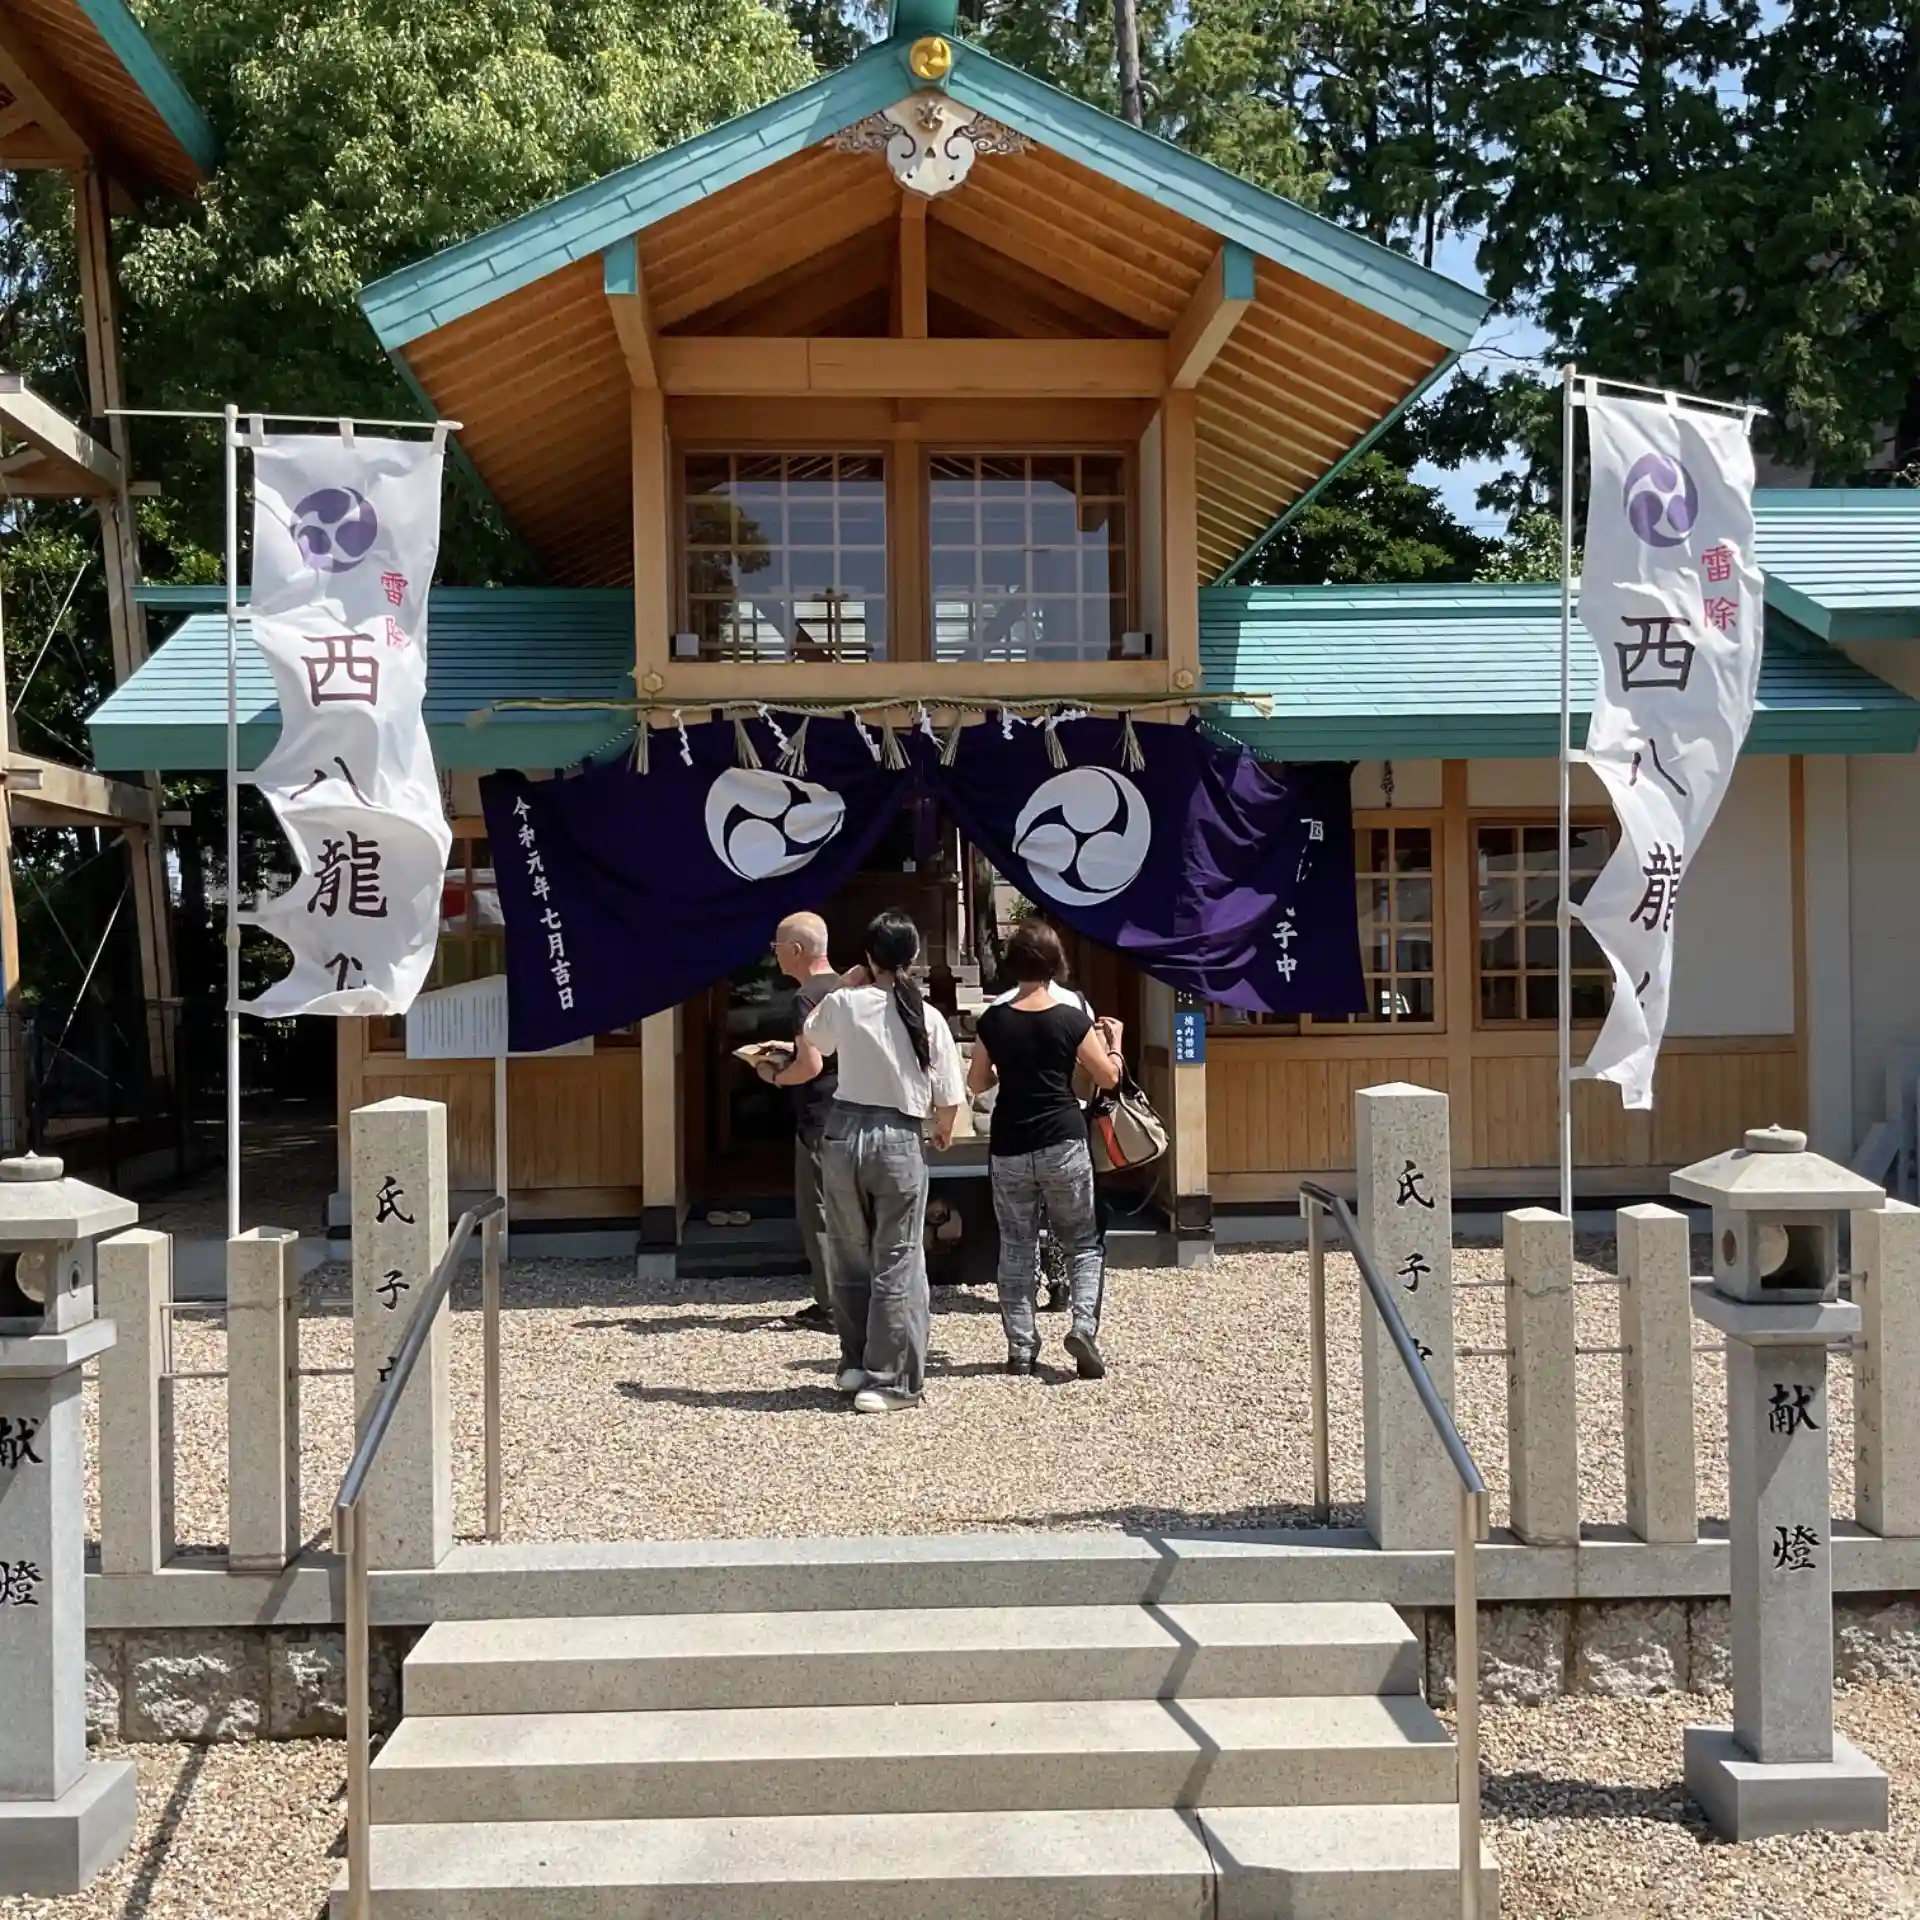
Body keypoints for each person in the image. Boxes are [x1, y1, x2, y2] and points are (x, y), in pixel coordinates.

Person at [777, 910, 965, 1414]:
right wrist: (943, 1129)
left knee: (849, 1254)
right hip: (898, 1135)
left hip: (842, 1132)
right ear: (914, 957)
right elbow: (948, 1093)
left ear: (867, 956)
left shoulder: (845, 1002)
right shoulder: (926, 1015)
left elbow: (813, 1037)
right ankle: (891, 1379)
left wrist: (845, 983)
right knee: (897, 1259)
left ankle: (855, 1361)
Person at [968, 918, 1123, 1379]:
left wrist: (1004, 1069)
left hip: (1010, 1141)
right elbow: (1108, 1077)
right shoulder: (1071, 1018)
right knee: (1082, 1242)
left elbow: (977, 1082)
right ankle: (1082, 1327)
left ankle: (1021, 1348)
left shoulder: (994, 1020)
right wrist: (1115, 1044)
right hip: (1062, 1138)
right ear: (1055, 964)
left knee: (1016, 1245)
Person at [761, 913, 840, 1332]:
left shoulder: (805, 998)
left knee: (819, 1215)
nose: (774, 955)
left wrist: (773, 1074)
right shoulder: (849, 988)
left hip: (819, 1117)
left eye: (776, 947)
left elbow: (811, 1065)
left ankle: (832, 1307)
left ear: (795, 950)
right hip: (855, 1111)